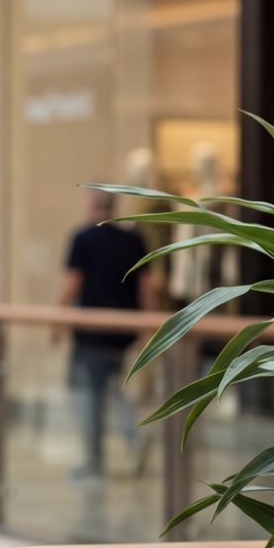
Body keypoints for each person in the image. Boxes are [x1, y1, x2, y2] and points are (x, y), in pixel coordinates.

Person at [53, 187, 154, 479]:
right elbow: (147, 286)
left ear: (91, 204)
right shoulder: (133, 239)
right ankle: (134, 438)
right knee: (111, 388)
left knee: (91, 396)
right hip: (123, 330)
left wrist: (56, 321)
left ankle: (94, 461)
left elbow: (72, 283)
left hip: (91, 331)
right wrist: (146, 329)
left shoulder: (83, 238)